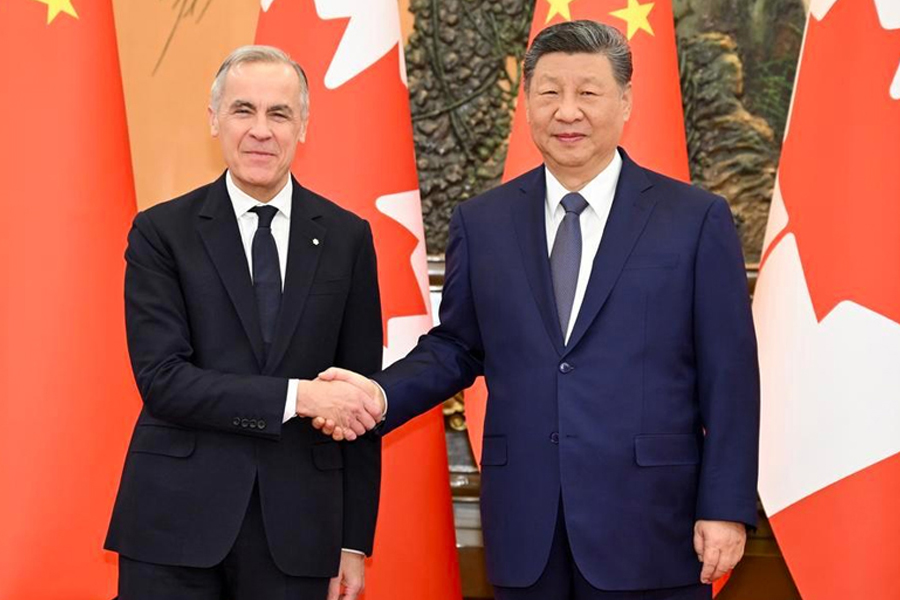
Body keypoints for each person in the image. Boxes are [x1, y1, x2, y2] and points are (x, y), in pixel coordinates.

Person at [316, 21, 760, 600]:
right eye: (550, 92)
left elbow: (730, 374)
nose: (567, 111)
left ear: (625, 101)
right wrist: (377, 395)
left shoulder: (695, 219)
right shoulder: (484, 221)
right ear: (527, 103)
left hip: (654, 526)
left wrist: (725, 507)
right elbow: (457, 346)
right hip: (527, 527)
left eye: (588, 93)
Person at [105, 45, 384, 600]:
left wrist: (353, 541)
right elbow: (163, 380)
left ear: (302, 126)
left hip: (300, 532)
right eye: (243, 110)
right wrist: (298, 397)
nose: (261, 130)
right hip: (172, 529)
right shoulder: (162, 233)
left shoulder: (348, 238)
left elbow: (358, 397)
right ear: (214, 120)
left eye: (279, 113)